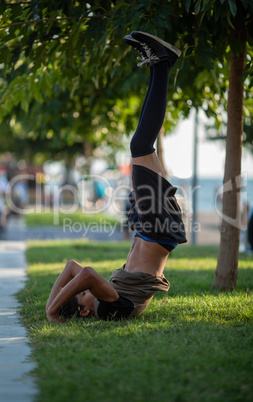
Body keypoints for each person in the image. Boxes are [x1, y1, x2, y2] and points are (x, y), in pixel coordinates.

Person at [46, 31, 187, 323]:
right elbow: (84, 274)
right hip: (156, 227)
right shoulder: (111, 309)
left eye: (84, 292)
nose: (86, 289)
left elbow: (72, 266)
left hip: (151, 226)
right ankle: (161, 65)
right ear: (86, 309)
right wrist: (52, 311)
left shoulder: (105, 300)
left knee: (141, 146)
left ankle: (158, 64)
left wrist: (55, 305)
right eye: (83, 294)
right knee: (140, 146)